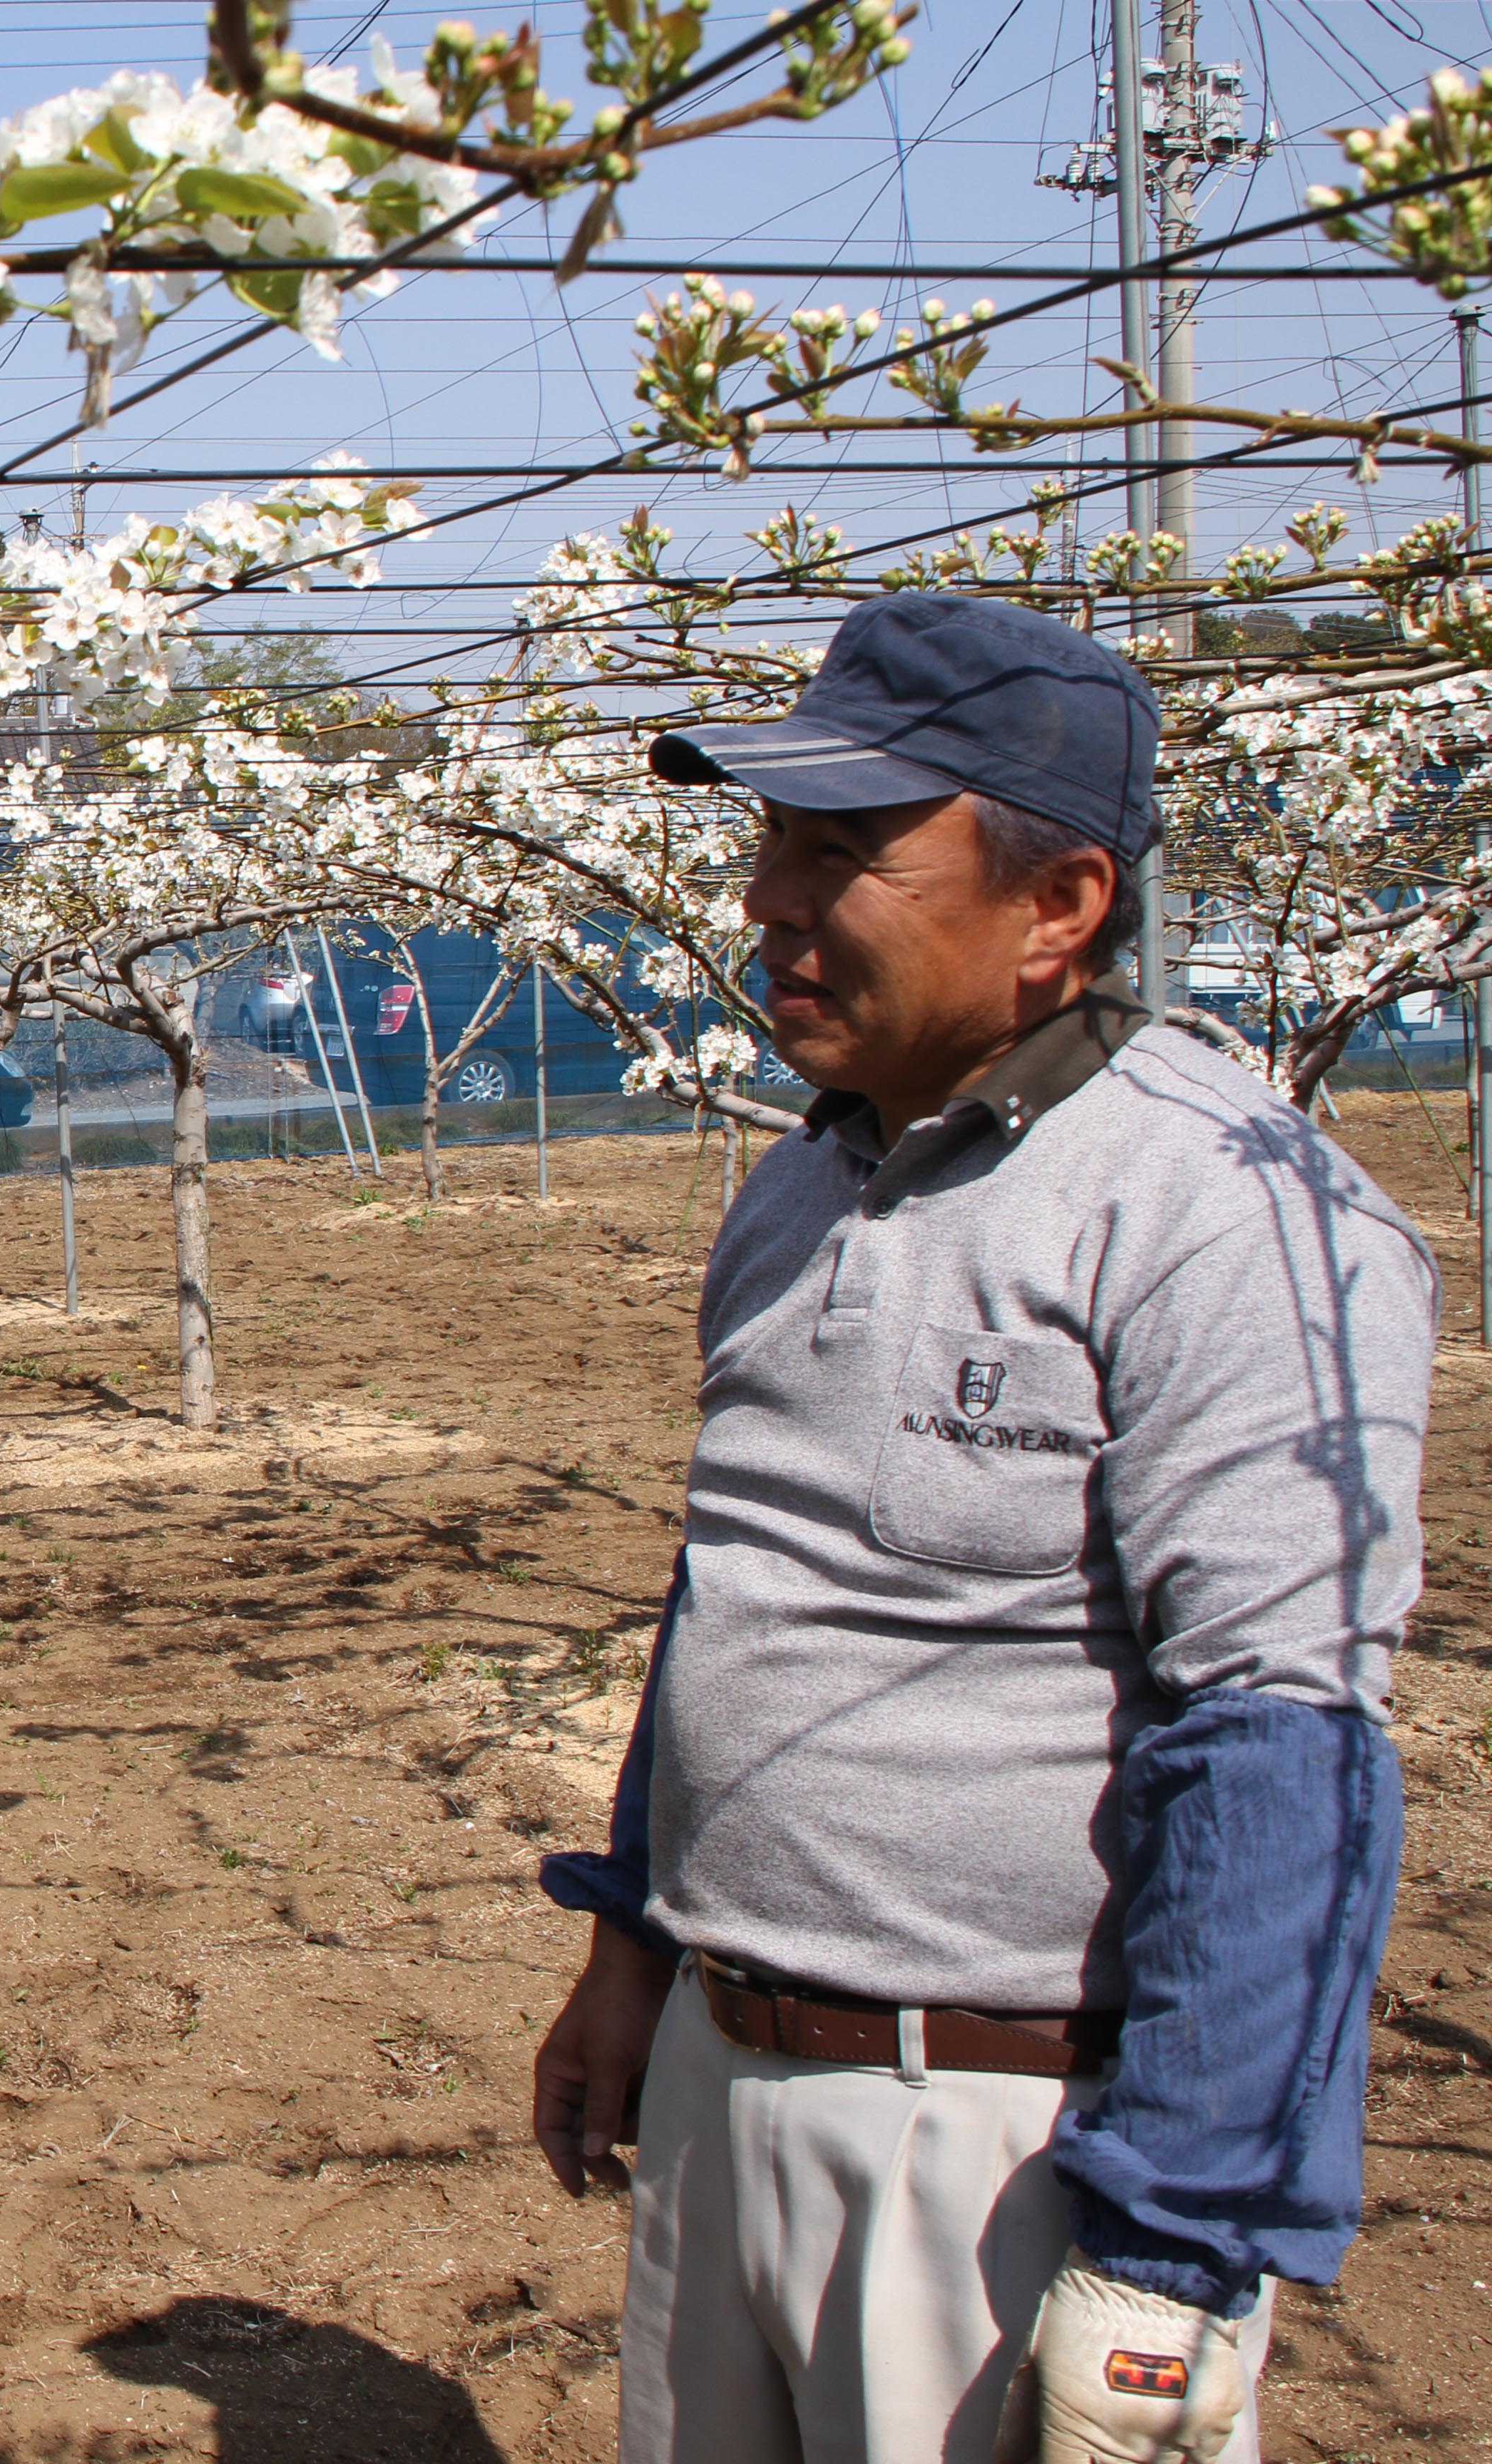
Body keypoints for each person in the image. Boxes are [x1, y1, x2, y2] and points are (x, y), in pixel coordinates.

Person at [526, 593, 1422, 2464]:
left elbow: (1278, 1742)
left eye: (844, 850)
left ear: (1062, 905)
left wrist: (1174, 2247)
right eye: (770, 839)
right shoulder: (801, 1186)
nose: (768, 896)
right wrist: (633, 1948)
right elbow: (739, 1589)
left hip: (999, 2143)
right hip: (725, 2076)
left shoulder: (1221, 1216)